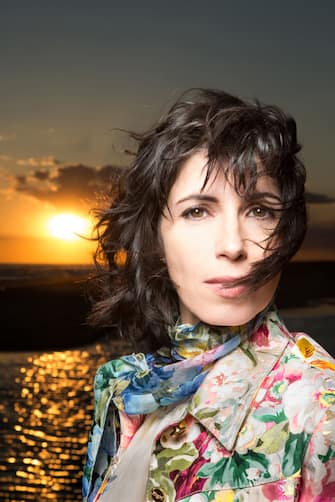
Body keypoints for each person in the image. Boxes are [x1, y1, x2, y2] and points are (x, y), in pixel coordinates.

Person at [83, 89, 335, 502]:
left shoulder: (320, 411)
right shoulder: (121, 389)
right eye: (197, 211)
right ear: (155, 237)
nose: (234, 245)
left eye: (260, 210)